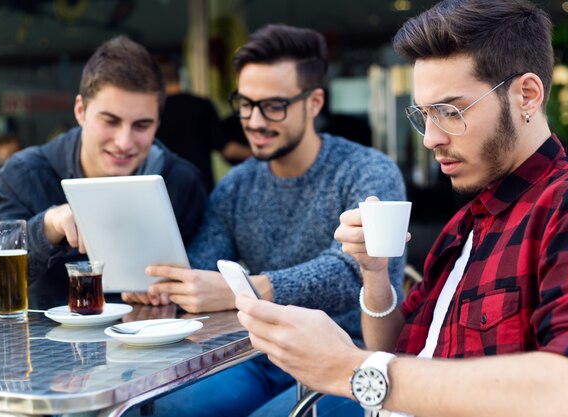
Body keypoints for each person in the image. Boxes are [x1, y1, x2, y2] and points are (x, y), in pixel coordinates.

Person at [235, 1, 568, 416]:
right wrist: (375, 275)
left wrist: (346, 366)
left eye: (450, 112)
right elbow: (397, 352)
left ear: (526, 96)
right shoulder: (464, 226)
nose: (430, 138)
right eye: (424, 114)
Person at [123, 24, 407, 417]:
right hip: (259, 353)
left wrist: (252, 290)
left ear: (314, 102)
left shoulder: (368, 171)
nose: (253, 121)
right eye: (245, 103)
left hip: (350, 357)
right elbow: (202, 266)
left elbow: (356, 271)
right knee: (163, 407)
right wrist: (168, 286)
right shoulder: (236, 185)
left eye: (273, 106)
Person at [0, 36, 206, 310]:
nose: (124, 142)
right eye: (110, 121)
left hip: (150, 345)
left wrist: (172, 293)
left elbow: (201, 281)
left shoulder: (182, 181)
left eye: (141, 125)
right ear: (80, 110)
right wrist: (47, 226)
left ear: (158, 122)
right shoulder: (23, 174)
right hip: (45, 348)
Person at [156, 60, 251, 193]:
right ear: (179, 77)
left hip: (163, 189)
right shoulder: (201, 105)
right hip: (200, 187)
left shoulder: (153, 112)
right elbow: (227, 149)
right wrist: (261, 152)